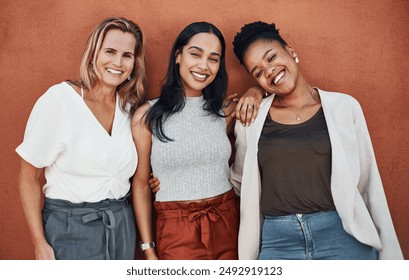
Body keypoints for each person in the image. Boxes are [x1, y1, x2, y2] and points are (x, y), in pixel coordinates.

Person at [230, 21, 403, 260]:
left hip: (342, 237)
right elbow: (239, 182)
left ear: (291, 52)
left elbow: (368, 184)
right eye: (258, 72)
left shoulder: (345, 107)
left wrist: (390, 259)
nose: (268, 70)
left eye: (271, 58)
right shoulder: (251, 118)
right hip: (278, 243)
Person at [16, 17, 146, 260]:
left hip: (122, 227)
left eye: (127, 55)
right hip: (69, 229)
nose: (118, 62)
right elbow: (28, 176)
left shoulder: (130, 108)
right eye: (110, 51)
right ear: (93, 53)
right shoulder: (60, 100)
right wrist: (39, 242)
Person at [132, 21, 263, 260]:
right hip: (176, 228)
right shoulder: (147, 115)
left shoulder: (224, 111)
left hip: (227, 220)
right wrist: (148, 249)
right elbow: (141, 184)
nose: (204, 65)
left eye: (213, 58)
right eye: (195, 54)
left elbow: (268, 94)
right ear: (178, 56)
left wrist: (256, 90)